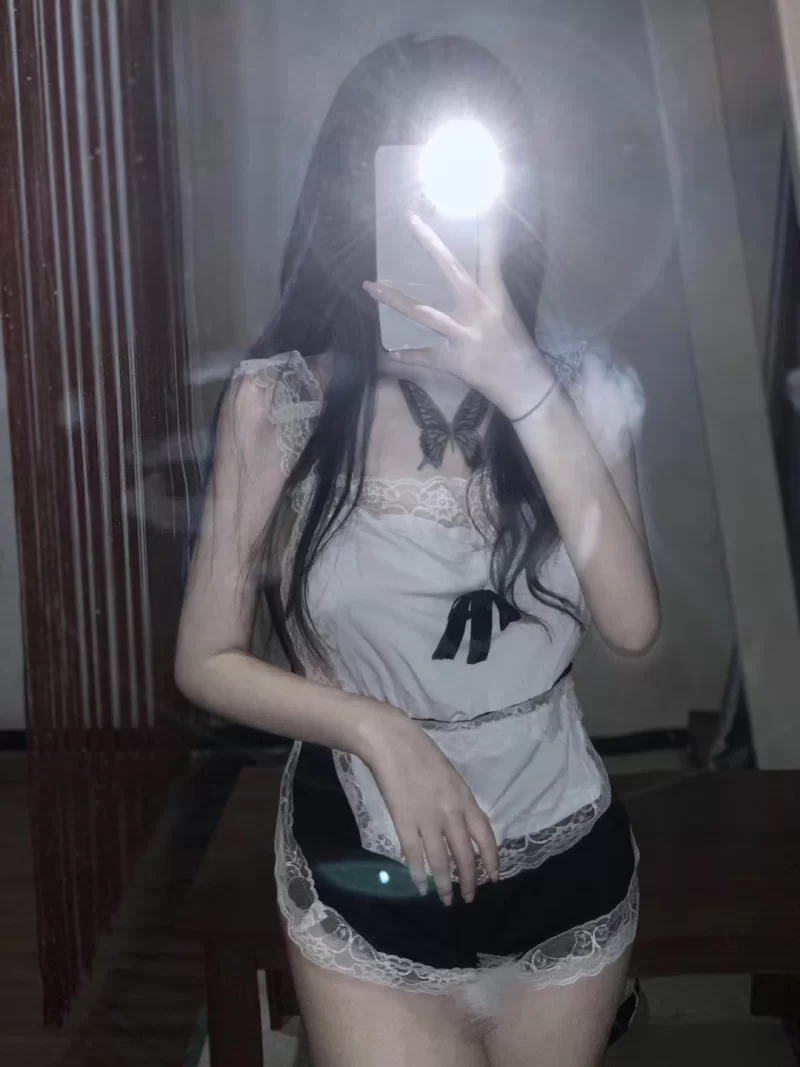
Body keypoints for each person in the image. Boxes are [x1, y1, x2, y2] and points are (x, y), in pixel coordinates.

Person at [175, 32, 660, 1067]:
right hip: (368, 857)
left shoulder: (577, 389)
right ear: (351, 201)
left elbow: (630, 622)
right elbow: (204, 656)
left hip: (564, 859)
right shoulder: (282, 402)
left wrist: (519, 379)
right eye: (400, 182)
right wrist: (380, 731)